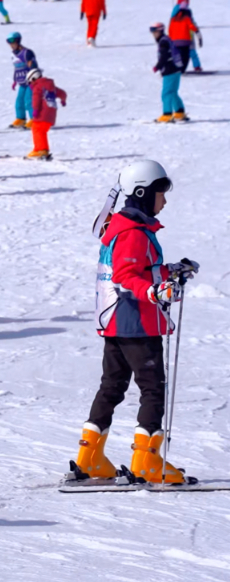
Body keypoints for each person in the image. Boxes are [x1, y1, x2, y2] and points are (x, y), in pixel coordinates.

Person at [76, 160, 199, 484]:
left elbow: (139, 271)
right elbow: (126, 276)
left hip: (117, 321)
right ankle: (147, 461)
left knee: (112, 386)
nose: (165, 201)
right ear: (143, 193)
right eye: (161, 193)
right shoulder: (132, 233)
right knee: (152, 389)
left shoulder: (127, 228)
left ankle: (89, 457)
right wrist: (155, 291)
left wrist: (169, 271)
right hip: (136, 323)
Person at [26, 69, 67, 160]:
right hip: (51, 114)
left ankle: (42, 150)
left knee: (37, 130)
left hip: (42, 113)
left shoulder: (38, 87)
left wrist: (35, 110)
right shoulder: (51, 86)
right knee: (40, 130)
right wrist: (63, 100)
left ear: (33, 78)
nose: (30, 85)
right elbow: (62, 93)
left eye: (30, 82)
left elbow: (36, 99)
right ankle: (39, 149)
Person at [151, 23, 186, 123]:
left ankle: (167, 114)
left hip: (169, 70)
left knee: (166, 93)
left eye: (155, 32)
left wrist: (157, 67)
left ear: (160, 31)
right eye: (152, 32)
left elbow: (164, 56)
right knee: (173, 92)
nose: (154, 34)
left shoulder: (163, 42)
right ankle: (179, 112)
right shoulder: (167, 39)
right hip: (176, 69)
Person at [7, 32, 38, 129]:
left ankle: (34, 119)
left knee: (29, 100)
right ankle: (21, 118)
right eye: (9, 43)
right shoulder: (13, 54)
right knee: (19, 101)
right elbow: (17, 68)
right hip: (22, 82)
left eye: (12, 42)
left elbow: (33, 66)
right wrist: (15, 80)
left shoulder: (27, 53)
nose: (11, 45)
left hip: (31, 82)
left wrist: (34, 79)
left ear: (18, 41)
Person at [169, 2, 201, 74]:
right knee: (190, 53)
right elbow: (192, 25)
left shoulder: (175, 17)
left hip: (176, 39)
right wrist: (197, 32)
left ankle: (177, 68)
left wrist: (171, 38)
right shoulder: (187, 17)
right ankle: (196, 67)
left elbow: (171, 28)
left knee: (178, 54)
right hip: (187, 39)